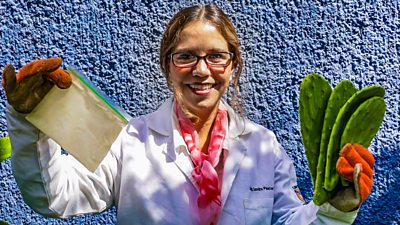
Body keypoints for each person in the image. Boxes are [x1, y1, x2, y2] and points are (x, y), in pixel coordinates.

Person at [2, 4, 374, 225]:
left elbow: (292, 220)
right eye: (186, 56)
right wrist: (33, 120)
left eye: (215, 56)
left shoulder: (261, 145)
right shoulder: (130, 140)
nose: (201, 70)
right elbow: (54, 198)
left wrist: (335, 210)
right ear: (167, 67)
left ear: (232, 67)